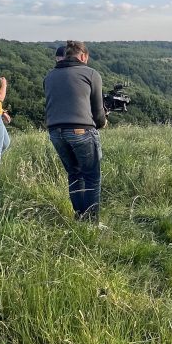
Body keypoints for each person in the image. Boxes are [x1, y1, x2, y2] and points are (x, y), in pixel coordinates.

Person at [43, 40, 107, 223]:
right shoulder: (91, 74)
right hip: (81, 130)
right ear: (83, 56)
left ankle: (80, 217)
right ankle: (91, 223)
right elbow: (98, 113)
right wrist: (102, 123)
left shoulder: (49, 76)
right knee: (92, 177)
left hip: (55, 131)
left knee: (74, 175)